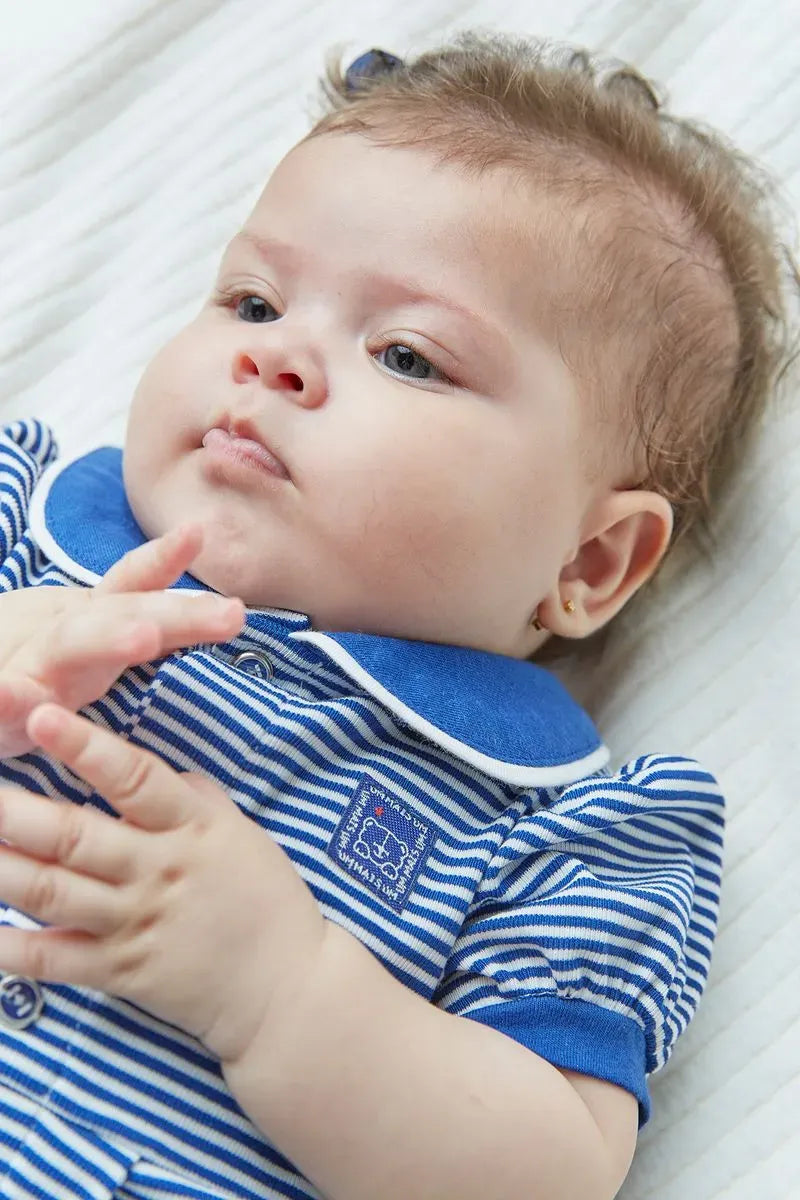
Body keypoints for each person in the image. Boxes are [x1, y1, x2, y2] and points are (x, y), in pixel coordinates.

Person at [0, 30, 793, 1200]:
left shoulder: (565, 830)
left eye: (408, 356)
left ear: (587, 557)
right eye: (253, 298)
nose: (275, 359)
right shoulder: (24, 516)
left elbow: (549, 1172)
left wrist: (278, 988)